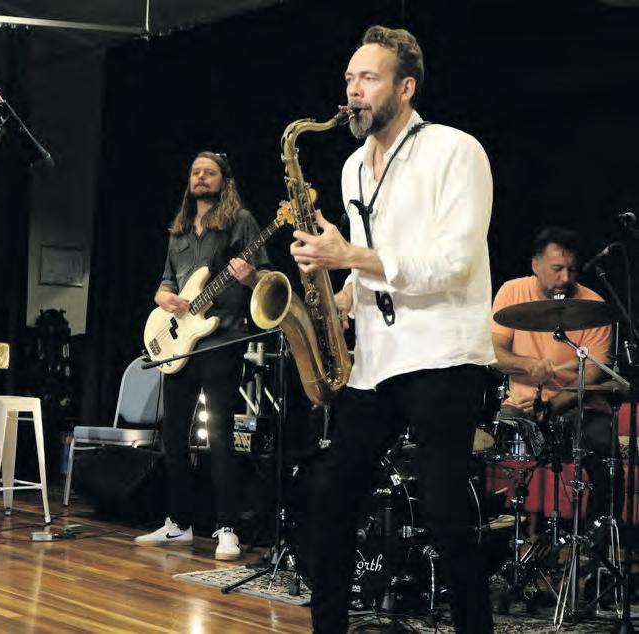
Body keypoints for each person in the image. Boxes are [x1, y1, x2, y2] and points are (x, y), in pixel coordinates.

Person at [289, 26, 495, 632]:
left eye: (369, 78)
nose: (353, 90)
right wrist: (340, 296)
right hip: (377, 361)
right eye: (349, 78)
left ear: (405, 88)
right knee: (330, 492)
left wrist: (348, 257)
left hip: (442, 354)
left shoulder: (455, 151)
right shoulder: (352, 166)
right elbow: (373, 263)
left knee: (445, 515)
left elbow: (454, 263)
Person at [134, 151, 270, 560]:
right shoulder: (178, 231)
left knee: (221, 435)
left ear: (224, 180)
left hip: (221, 340)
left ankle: (227, 528)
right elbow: (165, 282)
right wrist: (164, 297)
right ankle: (178, 523)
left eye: (209, 172)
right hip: (180, 345)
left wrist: (251, 277)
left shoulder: (241, 222)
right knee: (173, 436)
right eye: (196, 172)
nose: (201, 177)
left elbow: (264, 279)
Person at [491, 227, 622, 525]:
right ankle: (500, 530)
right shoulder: (512, 292)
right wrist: (527, 365)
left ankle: (598, 535)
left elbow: (592, 374)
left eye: (572, 270)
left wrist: (550, 407)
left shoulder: (595, 308)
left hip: (579, 407)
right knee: (483, 445)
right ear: (535, 265)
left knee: (606, 450)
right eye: (557, 269)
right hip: (522, 407)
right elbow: (494, 353)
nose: (564, 278)